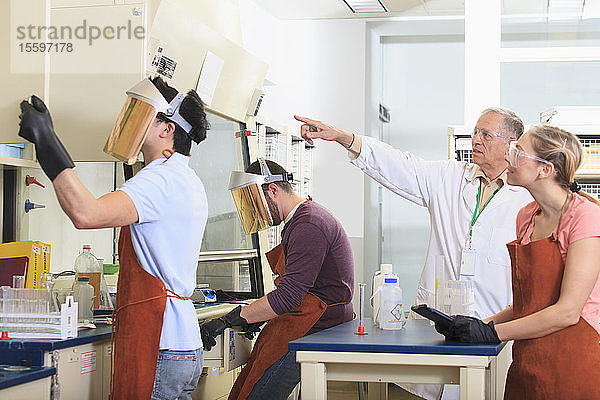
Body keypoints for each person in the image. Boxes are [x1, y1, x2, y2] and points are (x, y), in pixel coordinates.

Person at [294, 108, 532, 400]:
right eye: (474, 133)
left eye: (485, 135)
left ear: (511, 143)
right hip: (436, 326)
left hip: (491, 328)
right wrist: (343, 137)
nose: (475, 141)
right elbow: (398, 164)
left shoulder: (527, 197)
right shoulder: (450, 177)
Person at [17, 76, 210, 400]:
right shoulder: (184, 178)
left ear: (167, 129)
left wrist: (47, 141)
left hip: (158, 342)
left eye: (142, 114)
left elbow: (86, 214)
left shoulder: (159, 181)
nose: (129, 121)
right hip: (183, 344)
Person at [435, 125, 600, 399]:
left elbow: (568, 312)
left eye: (518, 152)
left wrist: (491, 332)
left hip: (574, 359)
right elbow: (529, 303)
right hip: (528, 359)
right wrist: (472, 325)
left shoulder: (586, 218)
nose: (508, 158)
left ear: (545, 169)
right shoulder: (526, 216)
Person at [199, 159, 355, 400]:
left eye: (254, 203)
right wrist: (254, 315)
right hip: (304, 318)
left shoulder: (309, 224)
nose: (253, 212)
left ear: (272, 190)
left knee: (256, 394)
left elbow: (288, 297)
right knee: (246, 383)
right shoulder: (302, 218)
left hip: (314, 326)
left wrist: (232, 317)